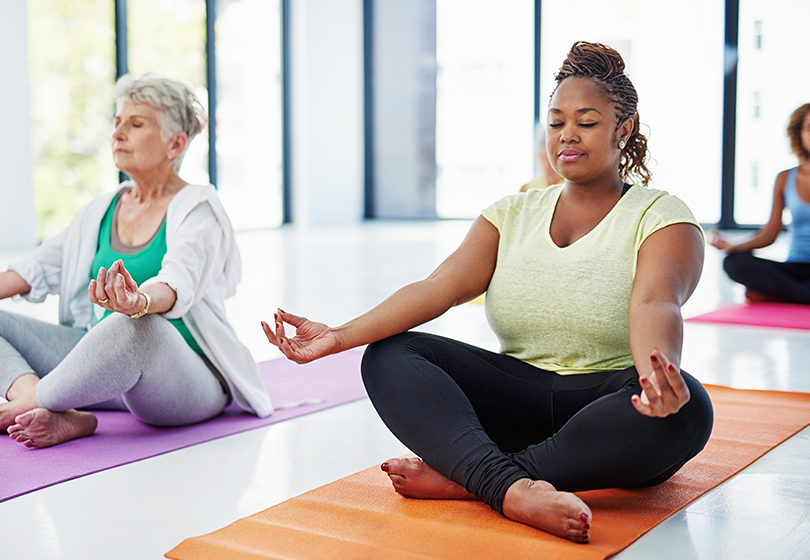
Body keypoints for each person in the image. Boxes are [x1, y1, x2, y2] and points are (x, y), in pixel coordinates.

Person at [262, 42, 713, 544]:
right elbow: (440, 288)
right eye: (556, 121)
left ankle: (477, 478)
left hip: (606, 411)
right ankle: (514, 488)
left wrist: (657, 380)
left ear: (622, 130)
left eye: (587, 122)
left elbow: (654, 301)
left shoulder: (662, 215)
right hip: (514, 406)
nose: (567, 135)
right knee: (391, 353)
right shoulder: (510, 213)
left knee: (688, 408)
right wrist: (338, 336)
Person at [0, 74, 272, 449]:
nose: (117, 134)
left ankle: (10, 411)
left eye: (136, 124)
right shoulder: (100, 210)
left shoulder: (198, 209)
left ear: (175, 144)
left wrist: (138, 302)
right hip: (101, 377)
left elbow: (177, 281)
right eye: (117, 123)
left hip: (182, 382)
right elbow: (22, 275)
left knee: (134, 324)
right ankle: (40, 405)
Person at [710, 103, 810, 304]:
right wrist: (734, 246)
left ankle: (779, 294)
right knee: (735, 262)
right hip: (793, 269)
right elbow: (769, 234)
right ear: (799, 134)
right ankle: (801, 294)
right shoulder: (784, 178)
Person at [520, 122, 563, 192]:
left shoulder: (570, 189)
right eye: (542, 158)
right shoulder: (527, 190)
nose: (546, 165)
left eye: (549, 159)